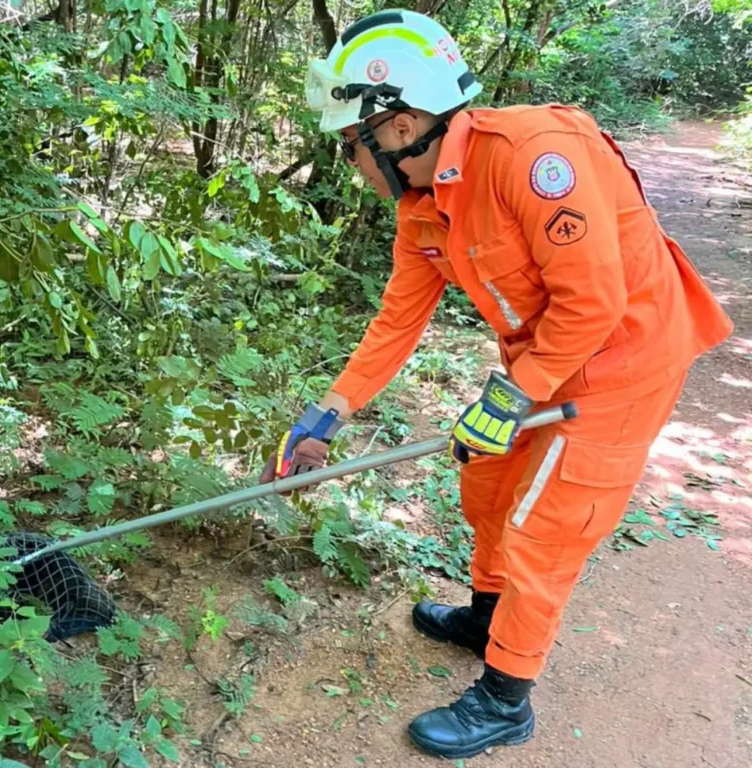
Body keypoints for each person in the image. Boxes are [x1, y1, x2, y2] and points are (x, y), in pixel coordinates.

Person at [259, 8, 734, 761]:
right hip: (541, 359)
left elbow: (594, 302)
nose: (350, 161)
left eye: (351, 142)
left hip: (622, 363)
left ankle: (505, 698)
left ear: (401, 123)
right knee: (484, 476)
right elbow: (397, 320)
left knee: (546, 527)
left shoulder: (533, 157)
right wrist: (328, 412)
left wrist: (513, 398)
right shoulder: (424, 205)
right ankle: (487, 616)